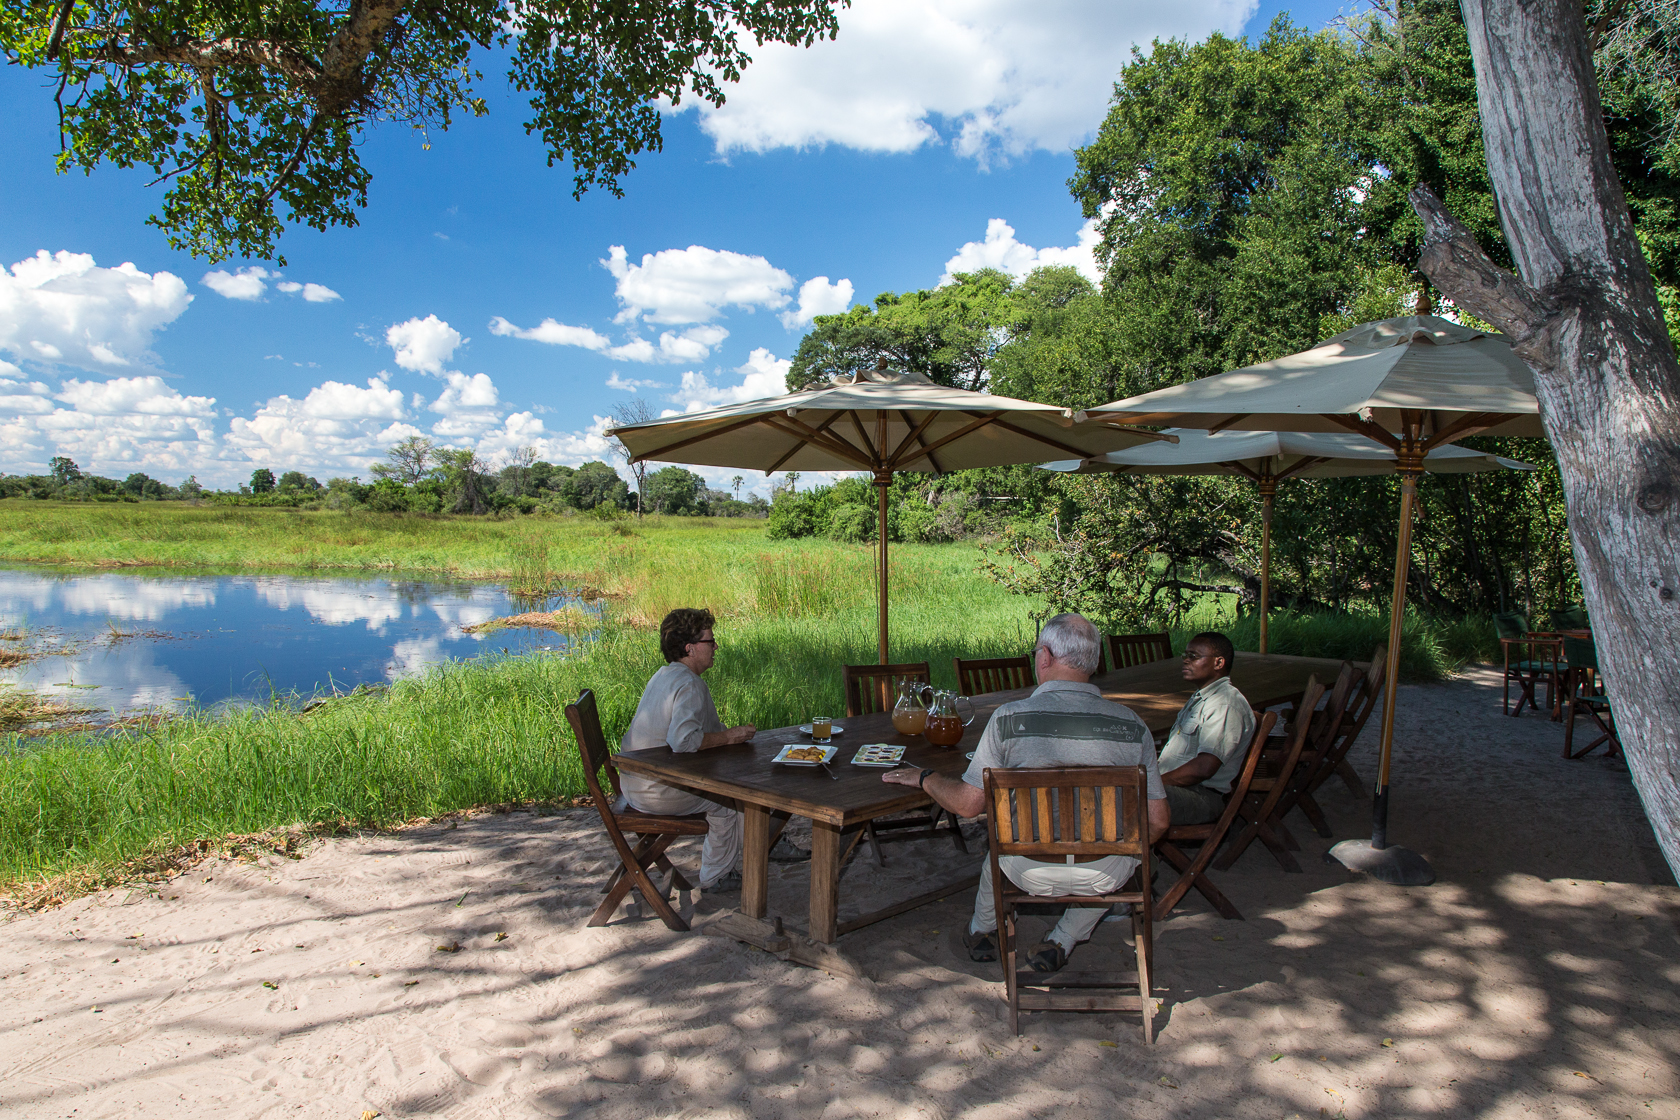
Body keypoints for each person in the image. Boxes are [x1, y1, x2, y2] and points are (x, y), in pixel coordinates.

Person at [882, 613, 1169, 973]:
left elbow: (967, 806)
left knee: (999, 847)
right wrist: (1119, 847)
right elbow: (1158, 821)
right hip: (1103, 875)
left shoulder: (1008, 720)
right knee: (1132, 852)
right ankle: (1063, 939)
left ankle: (983, 931)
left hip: (1027, 869)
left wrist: (926, 777)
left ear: (1045, 657)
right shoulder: (1132, 726)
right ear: (1094, 662)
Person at [619, 608, 800, 893]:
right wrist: (728, 737)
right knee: (728, 802)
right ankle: (718, 875)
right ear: (690, 648)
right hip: (655, 790)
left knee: (736, 793)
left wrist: (726, 736)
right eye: (709, 641)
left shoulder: (665, 675)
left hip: (632, 783)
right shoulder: (689, 684)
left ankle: (767, 841)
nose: (716, 646)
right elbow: (683, 741)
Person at [1157, 631, 1257, 826]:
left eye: (1193, 656)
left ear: (1219, 663)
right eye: (1185, 655)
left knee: (1125, 795)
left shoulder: (1223, 704)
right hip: (1179, 788)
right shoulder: (1203, 697)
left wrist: (1154, 783)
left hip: (1200, 796)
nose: (1186, 661)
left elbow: (1204, 767)